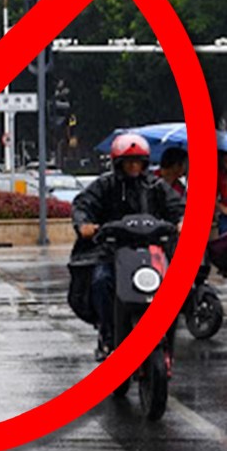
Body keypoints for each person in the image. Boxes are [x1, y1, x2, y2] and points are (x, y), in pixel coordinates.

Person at [72, 133, 185, 360]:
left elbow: (178, 206)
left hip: (151, 251)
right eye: (129, 161)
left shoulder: (156, 186)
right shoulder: (105, 185)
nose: (134, 165)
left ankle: (167, 339)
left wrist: (183, 220)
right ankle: (107, 334)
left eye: (138, 161)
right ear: (118, 163)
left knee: (179, 284)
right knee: (101, 281)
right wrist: (84, 223)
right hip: (112, 251)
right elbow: (83, 204)